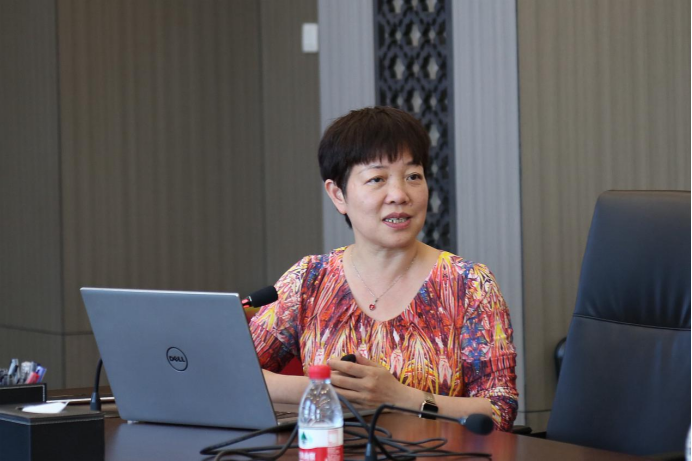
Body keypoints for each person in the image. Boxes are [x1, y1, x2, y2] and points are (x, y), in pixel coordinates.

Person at [250, 106, 518, 431]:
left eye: (413, 176)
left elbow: (499, 411)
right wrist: (327, 391)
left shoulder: (468, 284)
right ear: (338, 195)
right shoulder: (310, 279)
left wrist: (401, 398)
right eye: (377, 179)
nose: (399, 195)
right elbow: (233, 374)